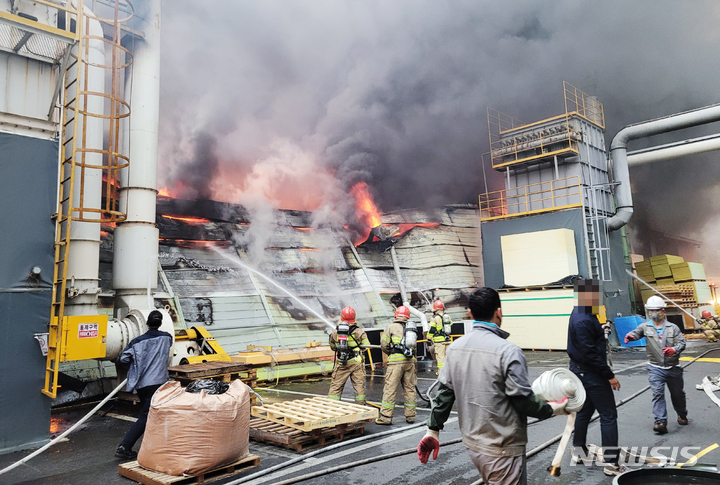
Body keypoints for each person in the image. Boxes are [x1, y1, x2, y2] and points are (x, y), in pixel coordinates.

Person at [417, 287, 567, 484]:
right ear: (499, 312)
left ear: (470, 314)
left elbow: (445, 394)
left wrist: (432, 431)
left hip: (473, 446)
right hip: (502, 448)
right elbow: (521, 400)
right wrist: (553, 409)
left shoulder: (454, 349)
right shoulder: (509, 351)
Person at [567, 278, 625, 476]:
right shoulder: (583, 320)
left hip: (580, 372)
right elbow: (589, 354)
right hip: (591, 374)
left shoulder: (580, 312)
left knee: (584, 411)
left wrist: (601, 329)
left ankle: (578, 450)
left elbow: (587, 340)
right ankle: (611, 464)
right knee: (608, 416)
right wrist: (609, 376)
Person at [624, 295, 688, 434]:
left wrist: (673, 350)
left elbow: (682, 344)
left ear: (663, 311)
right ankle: (660, 421)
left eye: (657, 310)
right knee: (657, 393)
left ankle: (682, 413)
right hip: (655, 367)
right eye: (651, 310)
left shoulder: (673, 328)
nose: (654, 313)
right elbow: (636, 333)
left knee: (677, 394)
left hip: (673, 368)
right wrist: (631, 336)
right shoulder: (645, 327)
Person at [115, 310, 173, 460]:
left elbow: (123, 359)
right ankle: (124, 447)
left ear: (147, 323)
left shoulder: (137, 342)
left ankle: (155, 445)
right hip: (159, 383)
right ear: (160, 323)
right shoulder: (167, 338)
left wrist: (137, 364)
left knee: (152, 414)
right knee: (147, 416)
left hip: (142, 385)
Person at [377, 306, 418, 425]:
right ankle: (410, 416)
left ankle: (385, 417)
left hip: (395, 363)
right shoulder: (412, 329)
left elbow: (384, 345)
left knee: (390, 389)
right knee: (410, 389)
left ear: (396, 315)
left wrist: (392, 352)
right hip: (410, 362)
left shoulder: (390, 327)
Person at [328, 306, 371, 405]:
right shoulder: (359, 331)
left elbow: (333, 347)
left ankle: (332, 408)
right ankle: (361, 408)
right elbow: (366, 346)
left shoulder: (336, 332)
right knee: (359, 387)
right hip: (356, 362)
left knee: (336, 387)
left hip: (342, 363)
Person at [427, 299, 452, 376]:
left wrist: (428, 338)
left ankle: (442, 373)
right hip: (447, 339)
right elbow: (450, 324)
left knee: (441, 358)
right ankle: (450, 373)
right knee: (448, 357)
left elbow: (432, 329)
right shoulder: (447, 316)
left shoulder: (434, 318)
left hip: (439, 341)